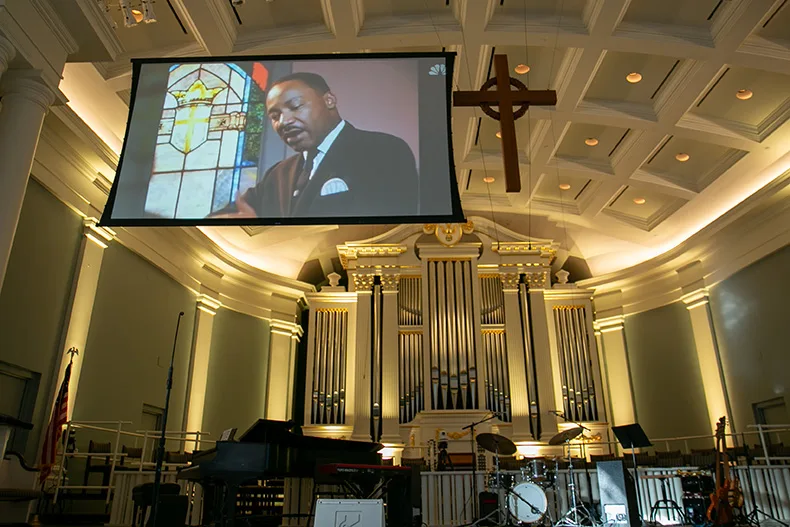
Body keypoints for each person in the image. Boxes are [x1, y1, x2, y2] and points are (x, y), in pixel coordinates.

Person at [233, 71, 419, 218]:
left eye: (295, 106)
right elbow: (232, 214)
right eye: (275, 116)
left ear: (329, 100)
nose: (283, 122)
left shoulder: (384, 151)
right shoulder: (277, 175)